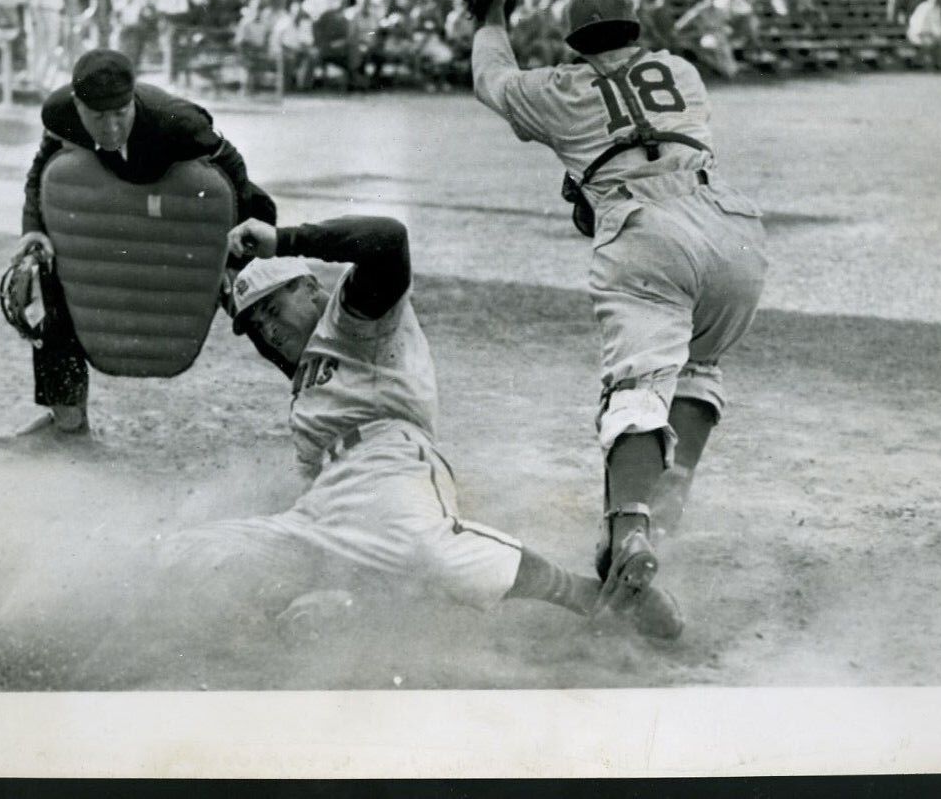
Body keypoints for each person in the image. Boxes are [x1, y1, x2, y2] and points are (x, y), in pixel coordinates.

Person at [157, 212, 683, 640]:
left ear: (312, 288)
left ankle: (592, 599)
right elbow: (277, 336)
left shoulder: (356, 318)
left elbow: (388, 239)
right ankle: (339, 605)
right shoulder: (308, 379)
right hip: (323, 506)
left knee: (428, 552)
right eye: (255, 326)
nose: (266, 330)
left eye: (273, 307)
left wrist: (284, 240)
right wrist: (233, 281)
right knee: (196, 553)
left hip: (392, 465)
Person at [469, 0, 769, 617]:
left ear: (574, 43)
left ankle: (629, 528)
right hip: (732, 231)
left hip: (645, 231)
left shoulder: (561, 88)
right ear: (637, 27)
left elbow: (490, 77)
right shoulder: (682, 72)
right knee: (696, 365)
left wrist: (489, 15)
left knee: (635, 385)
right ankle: (661, 511)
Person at [4, 50, 277, 441]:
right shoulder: (60, 114)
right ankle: (66, 420)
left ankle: (323, 403)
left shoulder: (179, 122)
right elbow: (44, 173)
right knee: (56, 271)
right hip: (121, 207)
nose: (112, 127)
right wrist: (33, 229)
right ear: (78, 105)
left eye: (121, 112)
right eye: (99, 117)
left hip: (192, 211)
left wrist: (232, 251)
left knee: (260, 297)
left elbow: (232, 169)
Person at [25, 0, 72, 88]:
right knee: (36, 46)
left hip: (54, 13)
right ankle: (33, 79)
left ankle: (43, 80)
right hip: (38, 12)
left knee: (51, 48)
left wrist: (64, 16)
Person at [906, 0, 941, 68]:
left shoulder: (938, 9)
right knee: (930, 43)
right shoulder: (923, 7)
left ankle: (938, 63)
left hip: (931, 34)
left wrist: (939, 35)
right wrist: (923, 34)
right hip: (918, 33)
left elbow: (938, 24)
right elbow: (917, 23)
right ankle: (922, 63)